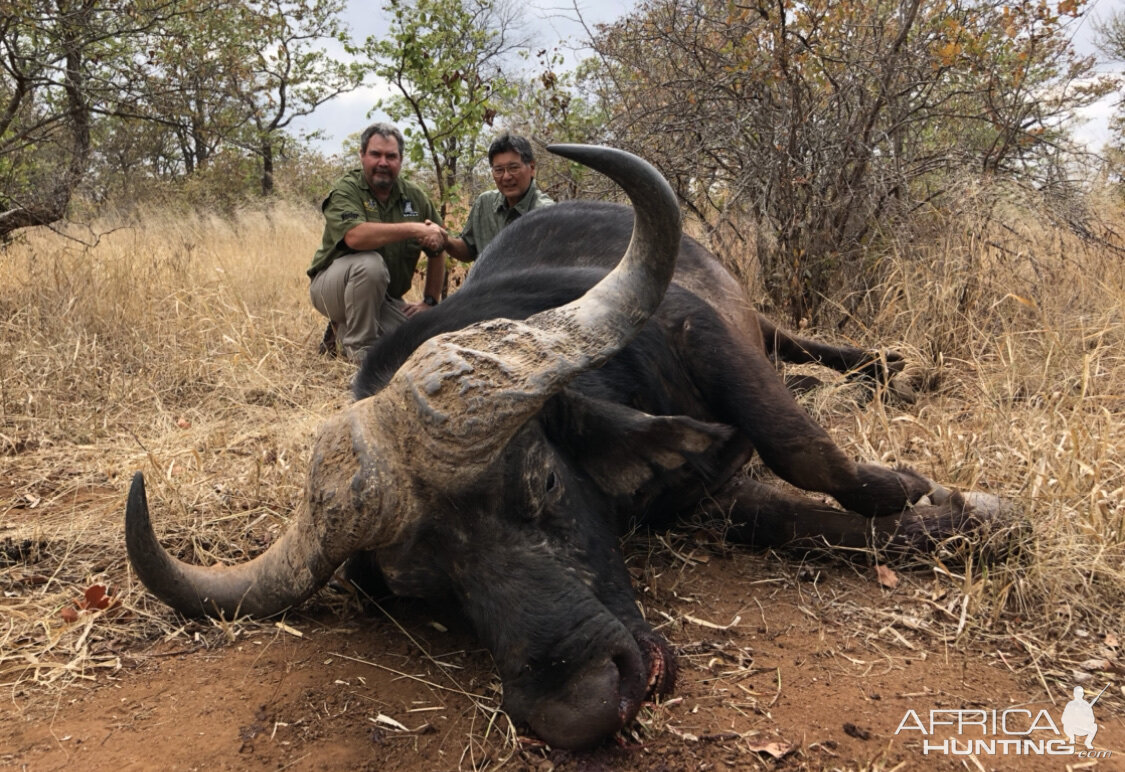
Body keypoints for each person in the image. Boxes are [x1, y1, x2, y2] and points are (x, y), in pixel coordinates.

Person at [308, 122, 446, 362]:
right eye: (375, 154)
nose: (383, 162)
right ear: (362, 156)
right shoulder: (347, 189)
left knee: (421, 338)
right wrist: (413, 229)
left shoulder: (414, 197)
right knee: (369, 264)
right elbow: (355, 236)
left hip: (383, 299)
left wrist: (430, 301)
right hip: (332, 290)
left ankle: (342, 331)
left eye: (391, 156)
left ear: (400, 160)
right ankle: (360, 352)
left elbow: (438, 244)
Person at [441, 132, 553, 263]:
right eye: (499, 170)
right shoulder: (485, 203)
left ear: (532, 168)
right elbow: (469, 249)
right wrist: (446, 241)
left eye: (513, 168)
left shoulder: (546, 213)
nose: (506, 177)